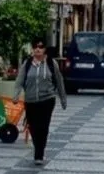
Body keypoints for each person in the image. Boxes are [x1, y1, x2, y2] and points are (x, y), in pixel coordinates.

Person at [13, 38, 67, 167]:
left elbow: (59, 81)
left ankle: (39, 154)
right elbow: (19, 81)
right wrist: (15, 96)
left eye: (40, 47)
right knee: (32, 127)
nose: (38, 49)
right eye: (35, 47)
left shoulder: (50, 63)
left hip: (47, 100)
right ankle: (38, 147)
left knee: (43, 127)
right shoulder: (27, 64)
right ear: (32, 49)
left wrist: (63, 99)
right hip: (30, 100)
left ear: (44, 50)